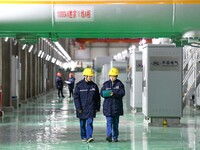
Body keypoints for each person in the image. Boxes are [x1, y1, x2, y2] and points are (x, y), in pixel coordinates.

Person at [74, 68, 100, 143]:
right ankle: (83, 137)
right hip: (81, 109)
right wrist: (78, 108)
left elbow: (97, 98)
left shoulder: (94, 86)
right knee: (82, 124)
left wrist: (97, 107)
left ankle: (89, 136)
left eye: (91, 76)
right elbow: (76, 98)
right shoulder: (79, 86)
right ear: (85, 76)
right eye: (89, 76)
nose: (91, 78)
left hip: (91, 108)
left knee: (90, 122)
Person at [100, 67, 125, 142]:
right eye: (111, 76)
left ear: (116, 76)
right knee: (109, 122)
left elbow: (122, 93)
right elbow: (101, 93)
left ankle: (115, 137)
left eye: (114, 76)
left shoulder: (120, 84)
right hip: (108, 107)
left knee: (115, 123)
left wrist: (114, 94)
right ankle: (109, 136)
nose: (112, 77)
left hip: (116, 107)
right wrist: (105, 94)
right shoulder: (106, 84)